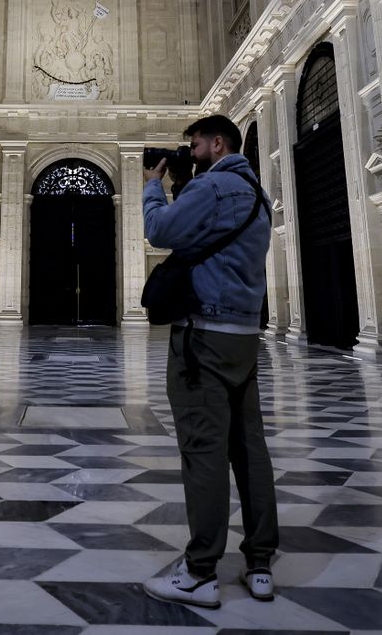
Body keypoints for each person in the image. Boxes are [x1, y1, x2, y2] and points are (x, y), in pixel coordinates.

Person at [140, 115, 279, 609]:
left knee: (203, 450)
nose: (188, 153)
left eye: (194, 145)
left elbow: (159, 231)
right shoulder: (256, 193)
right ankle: (260, 562)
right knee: (249, 450)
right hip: (244, 335)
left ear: (218, 143)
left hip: (204, 339)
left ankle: (200, 572)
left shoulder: (216, 187)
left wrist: (153, 187)